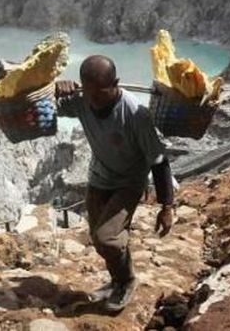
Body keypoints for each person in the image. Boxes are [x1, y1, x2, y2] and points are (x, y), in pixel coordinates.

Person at [55, 55, 175, 312]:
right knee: (99, 239)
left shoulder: (134, 114)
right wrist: (55, 89)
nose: (94, 101)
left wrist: (167, 206)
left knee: (107, 238)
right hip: (99, 177)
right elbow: (44, 108)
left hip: (129, 182)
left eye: (101, 93)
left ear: (116, 84)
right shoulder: (81, 100)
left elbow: (159, 160)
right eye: (89, 94)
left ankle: (127, 281)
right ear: (81, 87)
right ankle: (117, 280)